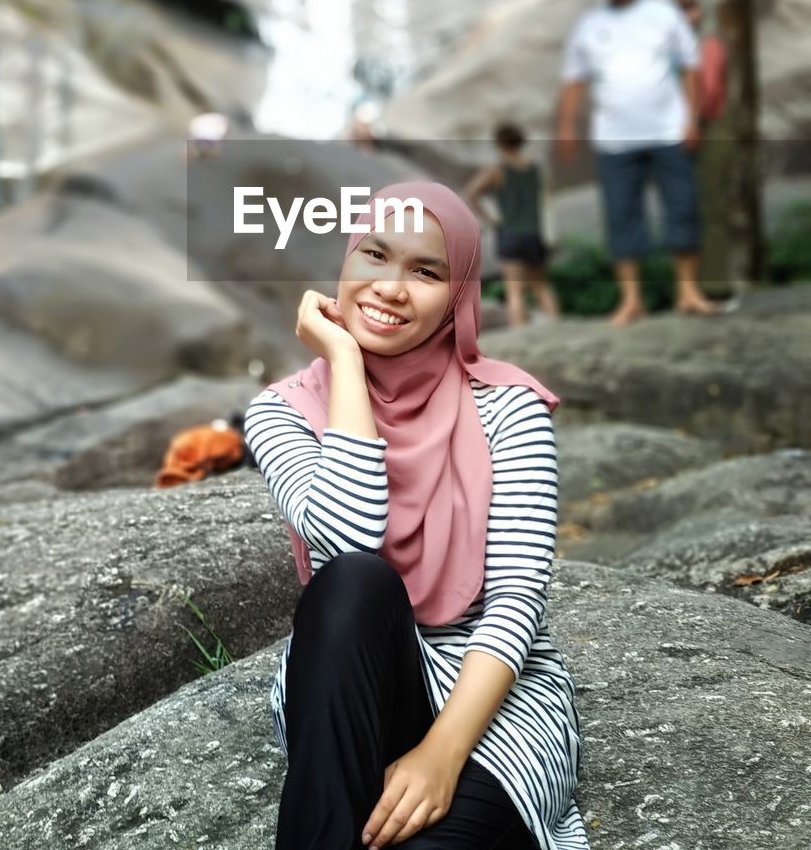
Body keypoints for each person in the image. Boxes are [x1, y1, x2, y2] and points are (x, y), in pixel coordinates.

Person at [243, 181, 588, 850]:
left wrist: (441, 754)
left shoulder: (506, 408)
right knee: (354, 582)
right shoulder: (282, 412)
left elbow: (517, 599)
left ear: (457, 294)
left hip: (487, 695)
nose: (392, 288)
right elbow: (349, 539)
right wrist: (344, 361)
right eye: (374, 255)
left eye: (426, 271)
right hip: (352, 670)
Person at [556, 0, 721, 325]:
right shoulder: (590, 25)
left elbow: (691, 65)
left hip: (667, 130)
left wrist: (693, 118)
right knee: (621, 215)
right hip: (614, 138)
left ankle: (688, 291)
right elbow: (573, 80)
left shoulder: (664, 14)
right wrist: (566, 126)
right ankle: (631, 299)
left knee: (682, 206)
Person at [465, 123, 560, 327]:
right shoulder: (534, 168)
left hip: (510, 233)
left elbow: (471, 193)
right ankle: (556, 326)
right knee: (541, 286)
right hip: (534, 233)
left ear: (499, 143)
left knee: (514, 290)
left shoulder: (497, 169)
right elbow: (546, 197)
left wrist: (490, 219)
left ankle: (519, 334)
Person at [673, 0, 734, 297]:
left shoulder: (706, 46)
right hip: (693, 130)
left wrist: (690, 122)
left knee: (711, 211)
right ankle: (694, 288)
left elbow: (708, 94)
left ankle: (715, 286)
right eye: (680, 9)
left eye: (690, 7)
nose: (686, 15)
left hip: (710, 130)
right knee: (693, 210)